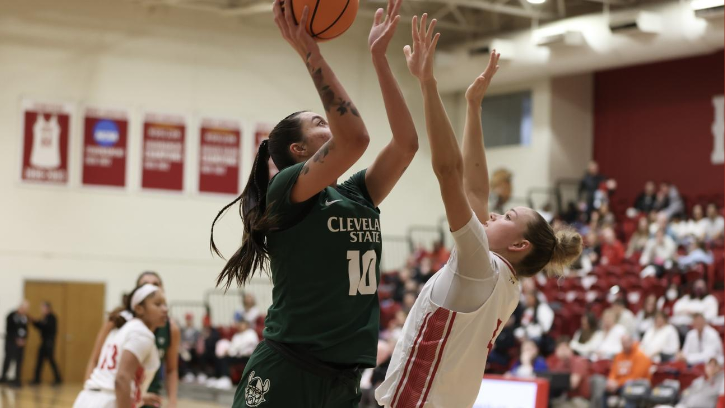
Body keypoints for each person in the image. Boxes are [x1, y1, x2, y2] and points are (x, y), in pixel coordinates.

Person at [209, 0, 419, 405]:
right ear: (298, 149)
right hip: (288, 369)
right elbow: (356, 138)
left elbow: (407, 144)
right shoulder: (287, 190)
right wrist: (311, 52)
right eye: (320, 122)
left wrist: (379, 59)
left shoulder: (357, 192)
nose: (330, 122)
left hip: (342, 379)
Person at [375, 24, 582, 408]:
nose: (493, 215)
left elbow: (452, 175)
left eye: (507, 215)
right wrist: (472, 106)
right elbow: (476, 190)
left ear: (519, 244)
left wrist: (428, 85)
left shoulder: (479, 266)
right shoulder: (505, 282)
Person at [85, 272, 180, 408]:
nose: (151, 288)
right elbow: (119, 377)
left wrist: (172, 401)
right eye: (146, 285)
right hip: (116, 396)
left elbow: (171, 369)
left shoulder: (169, 328)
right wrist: (89, 387)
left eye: (155, 285)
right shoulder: (135, 330)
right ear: (139, 305)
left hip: (137, 396)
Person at [601, 335, 651, 408]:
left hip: (635, 386)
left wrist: (618, 383)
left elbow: (636, 376)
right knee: (605, 392)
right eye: (623, 343)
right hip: (619, 385)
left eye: (626, 342)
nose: (625, 345)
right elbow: (613, 372)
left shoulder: (641, 356)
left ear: (632, 342)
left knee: (628, 391)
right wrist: (611, 381)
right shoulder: (619, 356)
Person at [548, 338, 591, 408]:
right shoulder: (560, 363)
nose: (562, 352)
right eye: (559, 349)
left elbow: (573, 384)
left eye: (564, 349)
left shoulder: (578, 361)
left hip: (579, 400)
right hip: (566, 398)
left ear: (571, 349)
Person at [31, 301, 62, 385]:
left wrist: (38, 322)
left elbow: (46, 327)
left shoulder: (52, 318)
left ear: (47, 308)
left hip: (49, 343)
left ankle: (58, 379)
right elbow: (41, 327)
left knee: (51, 361)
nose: (41, 310)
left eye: (43, 308)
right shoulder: (45, 317)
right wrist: (35, 322)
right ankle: (36, 379)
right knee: (39, 361)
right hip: (44, 342)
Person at [1, 300, 29, 388]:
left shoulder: (24, 318)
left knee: (19, 361)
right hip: (11, 342)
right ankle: (4, 377)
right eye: (24, 309)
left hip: (20, 343)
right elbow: (9, 329)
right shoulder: (11, 316)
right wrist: (16, 338)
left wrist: (23, 339)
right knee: (8, 359)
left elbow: (25, 330)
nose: (25, 311)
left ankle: (17, 379)